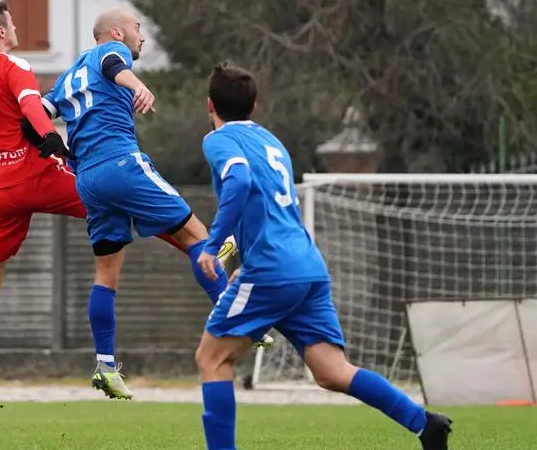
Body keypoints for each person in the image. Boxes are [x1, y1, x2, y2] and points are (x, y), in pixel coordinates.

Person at [0, 1, 228, 440]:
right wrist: (50, 142)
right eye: (13, 23)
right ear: (1, 32)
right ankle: (202, 251)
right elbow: (33, 107)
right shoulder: (15, 67)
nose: (17, 27)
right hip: (37, 173)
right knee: (118, 203)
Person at [193, 61, 452, 450]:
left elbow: (240, 180)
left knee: (211, 359)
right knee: (332, 371)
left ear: (209, 105)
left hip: (272, 269)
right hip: (306, 265)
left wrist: (214, 244)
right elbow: (269, 211)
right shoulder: (272, 142)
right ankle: (424, 423)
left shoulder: (218, 140)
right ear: (255, 107)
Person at [39, 8, 267, 402]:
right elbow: (113, 62)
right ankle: (243, 318)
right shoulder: (109, 53)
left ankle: (105, 366)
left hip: (88, 180)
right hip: (120, 162)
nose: (141, 36)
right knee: (200, 239)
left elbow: (37, 116)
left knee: (106, 273)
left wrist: (54, 146)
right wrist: (137, 84)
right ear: (116, 32)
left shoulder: (66, 78)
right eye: (137, 28)